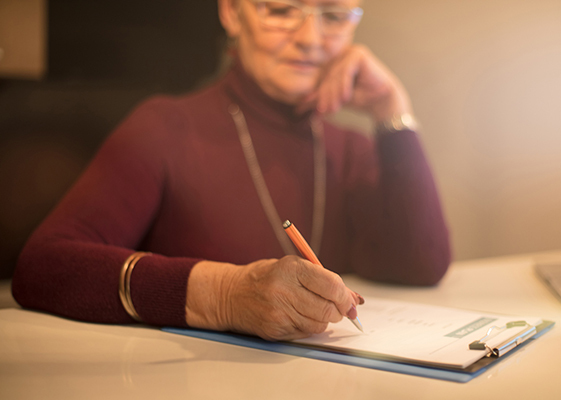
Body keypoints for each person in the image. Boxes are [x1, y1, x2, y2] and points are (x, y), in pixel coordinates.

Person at [12, 0, 451, 341]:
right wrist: (222, 295)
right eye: (281, 10)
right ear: (231, 12)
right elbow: (42, 267)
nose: (311, 38)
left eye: (333, 15)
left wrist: (393, 112)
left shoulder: (350, 147)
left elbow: (422, 265)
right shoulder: (165, 127)